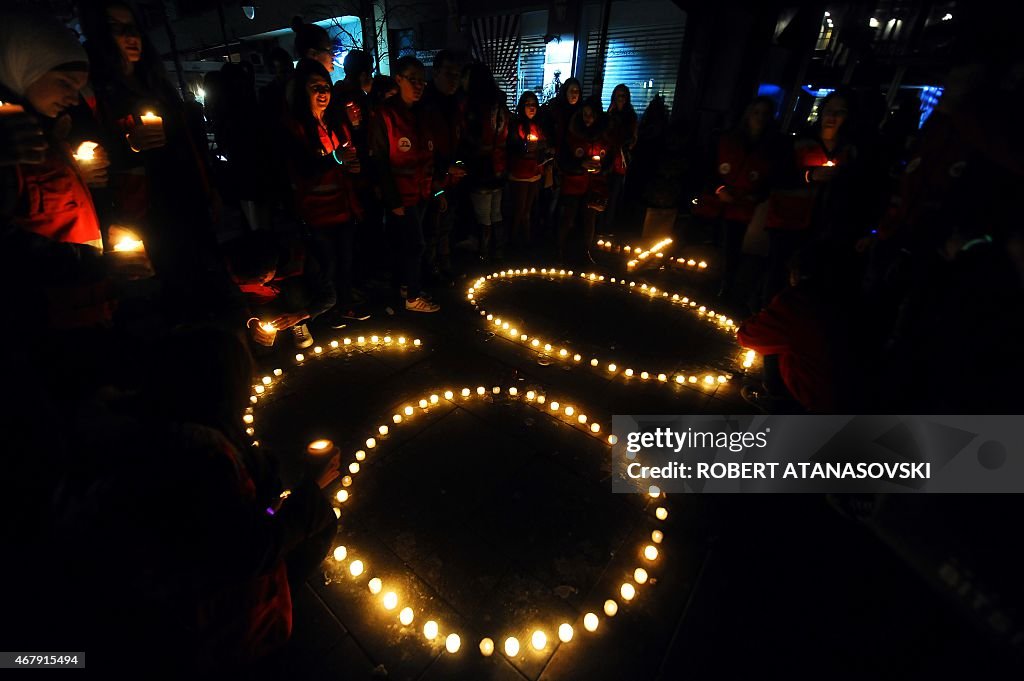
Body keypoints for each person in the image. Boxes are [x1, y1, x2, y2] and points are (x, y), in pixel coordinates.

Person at [53, 325, 339, 674]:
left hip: (148, 591)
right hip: (199, 619)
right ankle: (273, 614)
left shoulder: (131, 424)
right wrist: (312, 487)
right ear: (224, 391)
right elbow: (246, 550)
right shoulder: (202, 459)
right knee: (320, 515)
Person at [0, 10, 149, 336]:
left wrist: (103, 233)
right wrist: (95, 262)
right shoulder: (10, 143)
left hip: (88, 307)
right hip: (43, 325)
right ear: (24, 66)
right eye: (65, 83)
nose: (73, 97)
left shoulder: (46, 138)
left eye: (79, 87)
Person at [79, 1, 225, 320]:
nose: (132, 37)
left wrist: (208, 187)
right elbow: (88, 155)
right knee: (170, 292)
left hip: (185, 200)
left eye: (134, 28)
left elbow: (186, 143)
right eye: (118, 29)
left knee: (204, 283)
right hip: (145, 211)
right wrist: (128, 145)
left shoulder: (156, 85)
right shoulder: (94, 93)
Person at [282, 59, 362, 332]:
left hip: (343, 206)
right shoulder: (295, 128)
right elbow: (303, 169)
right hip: (317, 212)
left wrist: (353, 166)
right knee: (326, 265)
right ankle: (326, 313)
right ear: (301, 91)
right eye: (315, 87)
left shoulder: (335, 123)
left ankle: (344, 305)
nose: (323, 92)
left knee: (345, 261)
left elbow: (346, 154)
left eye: (325, 86)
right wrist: (336, 160)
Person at [737, 244, 853, 413]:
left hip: (823, 397)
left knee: (774, 342)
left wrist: (764, 315)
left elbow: (746, 336)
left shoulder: (798, 303)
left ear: (797, 274)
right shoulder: (849, 297)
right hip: (858, 389)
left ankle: (778, 401)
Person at [693, 96, 781, 301]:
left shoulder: (770, 148)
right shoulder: (728, 139)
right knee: (703, 238)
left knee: (732, 247)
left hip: (742, 208)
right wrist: (719, 188)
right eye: (756, 112)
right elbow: (708, 168)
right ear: (748, 113)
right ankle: (695, 276)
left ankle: (724, 285)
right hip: (714, 203)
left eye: (765, 114)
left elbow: (770, 180)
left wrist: (756, 196)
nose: (760, 117)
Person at [369, 56, 439, 312]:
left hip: (420, 191)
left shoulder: (422, 114)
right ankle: (412, 296)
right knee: (415, 244)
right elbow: (380, 161)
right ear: (398, 80)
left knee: (406, 243)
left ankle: (404, 286)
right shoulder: (386, 115)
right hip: (401, 195)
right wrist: (393, 200)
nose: (419, 86)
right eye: (413, 80)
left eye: (422, 81)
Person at [226, 232, 336, 350]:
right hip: (261, 306)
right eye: (250, 281)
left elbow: (329, 297)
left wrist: (299, 316)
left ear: (273, 267)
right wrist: (251, 320)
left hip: (295, 300)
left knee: (294, 291)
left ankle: (298, 325)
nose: (260, 284)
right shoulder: (233, 270)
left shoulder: (298, 260)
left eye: (261, 278)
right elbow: (235, 301)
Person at [421, 49, 468, 282]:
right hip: (432, 179)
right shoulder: (425, 105)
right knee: (432, 225)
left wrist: (458, 162)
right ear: (436, 72)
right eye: (449, 73)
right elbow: (423, 148)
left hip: (452, 177)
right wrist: (444, 168)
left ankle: (444, 263)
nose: (454, 80)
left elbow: (458, 141)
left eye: (457, 75)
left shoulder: (455, 105)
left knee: (446, 224)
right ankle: (430, 270)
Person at [460, 62, 509, 261]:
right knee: (496, 211)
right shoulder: (500, 103)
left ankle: (484, 252)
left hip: (481, 165)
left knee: (483, 214)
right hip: (499, 163)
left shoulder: (473, 105)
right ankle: (499, 250)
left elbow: (470, 137)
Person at [556, 97, 612, 263]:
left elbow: (610, 158)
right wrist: (581, 164)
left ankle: (585, 252)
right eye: (585, 113)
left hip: (594, 186)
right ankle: (559, 250)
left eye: (591, 114)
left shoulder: (603, 136)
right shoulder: (573, 134)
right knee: (568, 218)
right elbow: (563, 160)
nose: (587, 117)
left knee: (589, 221)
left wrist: (602, 167)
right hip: (573, 185)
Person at [506, 91, 549, 250]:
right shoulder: (516, 125)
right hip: (520, 172)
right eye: (528, 104)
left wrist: (539, 147)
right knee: (519, 208)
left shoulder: (537, 126)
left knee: (528, 209)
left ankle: (527, 240)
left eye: (534, 104)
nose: (532, 108)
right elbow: (512, 147)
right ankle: (513, 241)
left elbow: (544, 143)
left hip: (534, 172)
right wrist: (526, 148)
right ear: (522, 105)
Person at [603, 83, 638, 232]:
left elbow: (633, 137)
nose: (620, 99)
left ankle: (608, 225)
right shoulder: (610, 114)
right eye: (618, 95)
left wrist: (627, 145)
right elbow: (604, 132)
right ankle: (599, 223)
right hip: (608, 158)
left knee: (615, 193)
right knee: (603, 191)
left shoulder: (630, 115)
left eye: (623, 95)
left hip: (620, 160)